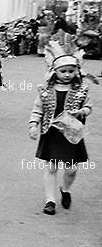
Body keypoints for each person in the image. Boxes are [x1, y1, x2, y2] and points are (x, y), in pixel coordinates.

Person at [29, 42, 92, 215]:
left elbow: (89, 107)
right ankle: (50, 200)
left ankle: (65, 189)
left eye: (71, 71)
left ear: (76, 71)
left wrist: (82, 111)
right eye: (63, 71)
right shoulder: (45, 91)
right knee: (51, 167)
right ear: (54, 71)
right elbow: (37, 109)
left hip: (72, 134)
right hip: (52, 134)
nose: (67, 75)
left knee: (71, 169)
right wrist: (33, 125)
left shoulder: (81, 90)